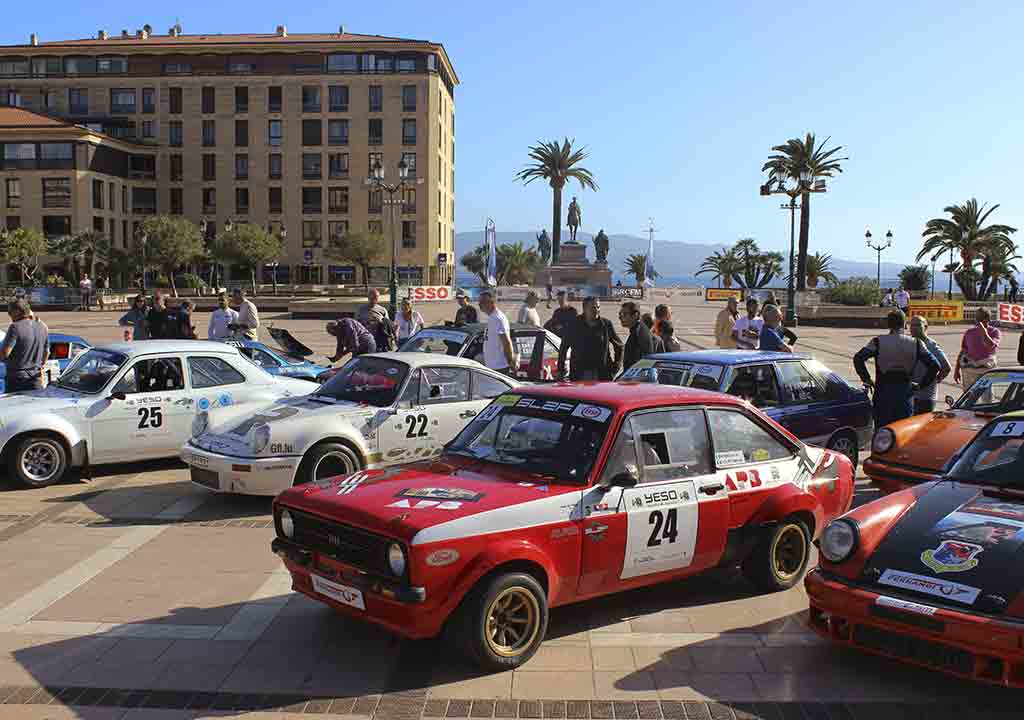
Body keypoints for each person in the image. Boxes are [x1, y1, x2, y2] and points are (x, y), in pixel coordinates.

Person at [854, 310, 940, 426]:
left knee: (882, 433)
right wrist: (921, 385)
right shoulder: (916, 343)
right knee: (902, 432)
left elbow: (858, 359)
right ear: (904, 324)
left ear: (888, 324)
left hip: (882, 394)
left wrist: (867, 379)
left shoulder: (878, 342)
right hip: (905, 395)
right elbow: (935, 366)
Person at [557, 296, 623, 380]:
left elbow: (619, 346)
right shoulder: (574, 324)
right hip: (579, 374)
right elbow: (563, 348)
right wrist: (560, 370)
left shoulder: (606, 324)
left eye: (598, 307)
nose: (596, 310)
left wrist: (615, 367)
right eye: (592, 308)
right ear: (584, 309)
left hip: (602, 373)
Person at [1, 299, 49, 393]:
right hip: (36, 378)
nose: (9, 315)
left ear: (17, 311)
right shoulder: (42, 327)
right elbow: (47, 352)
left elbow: (5, 354)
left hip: (17, 379)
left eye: (10, 312)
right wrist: (40, 366)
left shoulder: (15, 327)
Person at [910, 315, 952, 414]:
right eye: (911, 325)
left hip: (925, 398)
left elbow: (946, 367)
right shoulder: (909, 343)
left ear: (925, 327)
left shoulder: (931, 345)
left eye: (917, 325)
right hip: (910, 395)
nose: (913, 328)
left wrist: (935, 380)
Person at [955, 307, 1001, 390]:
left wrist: (985, 333)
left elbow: (991, 345)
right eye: (977, 318)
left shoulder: (994, 331)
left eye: (981, 318)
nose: (978, 321)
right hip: (969, 370)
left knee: (987, 398)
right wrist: (956, 370)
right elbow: (963, 352)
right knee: (968, 395)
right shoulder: (969, 332)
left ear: (988, 319)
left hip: (985, 371)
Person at [479, 290, 515, 375]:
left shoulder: (498, 318)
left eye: (482, 302)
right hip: (492, 366)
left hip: (499, 367)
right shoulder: (492, 318)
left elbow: (506, 342)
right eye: (479, 302)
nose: (479, 305)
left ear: (491, 302)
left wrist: (510, 362)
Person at [620, 301, 658, 371]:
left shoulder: (639, 332)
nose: (620, 317)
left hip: (637, 378)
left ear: (635, 315)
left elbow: (645, 361)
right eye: (620, 314)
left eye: (624, 314)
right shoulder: (637, 330)